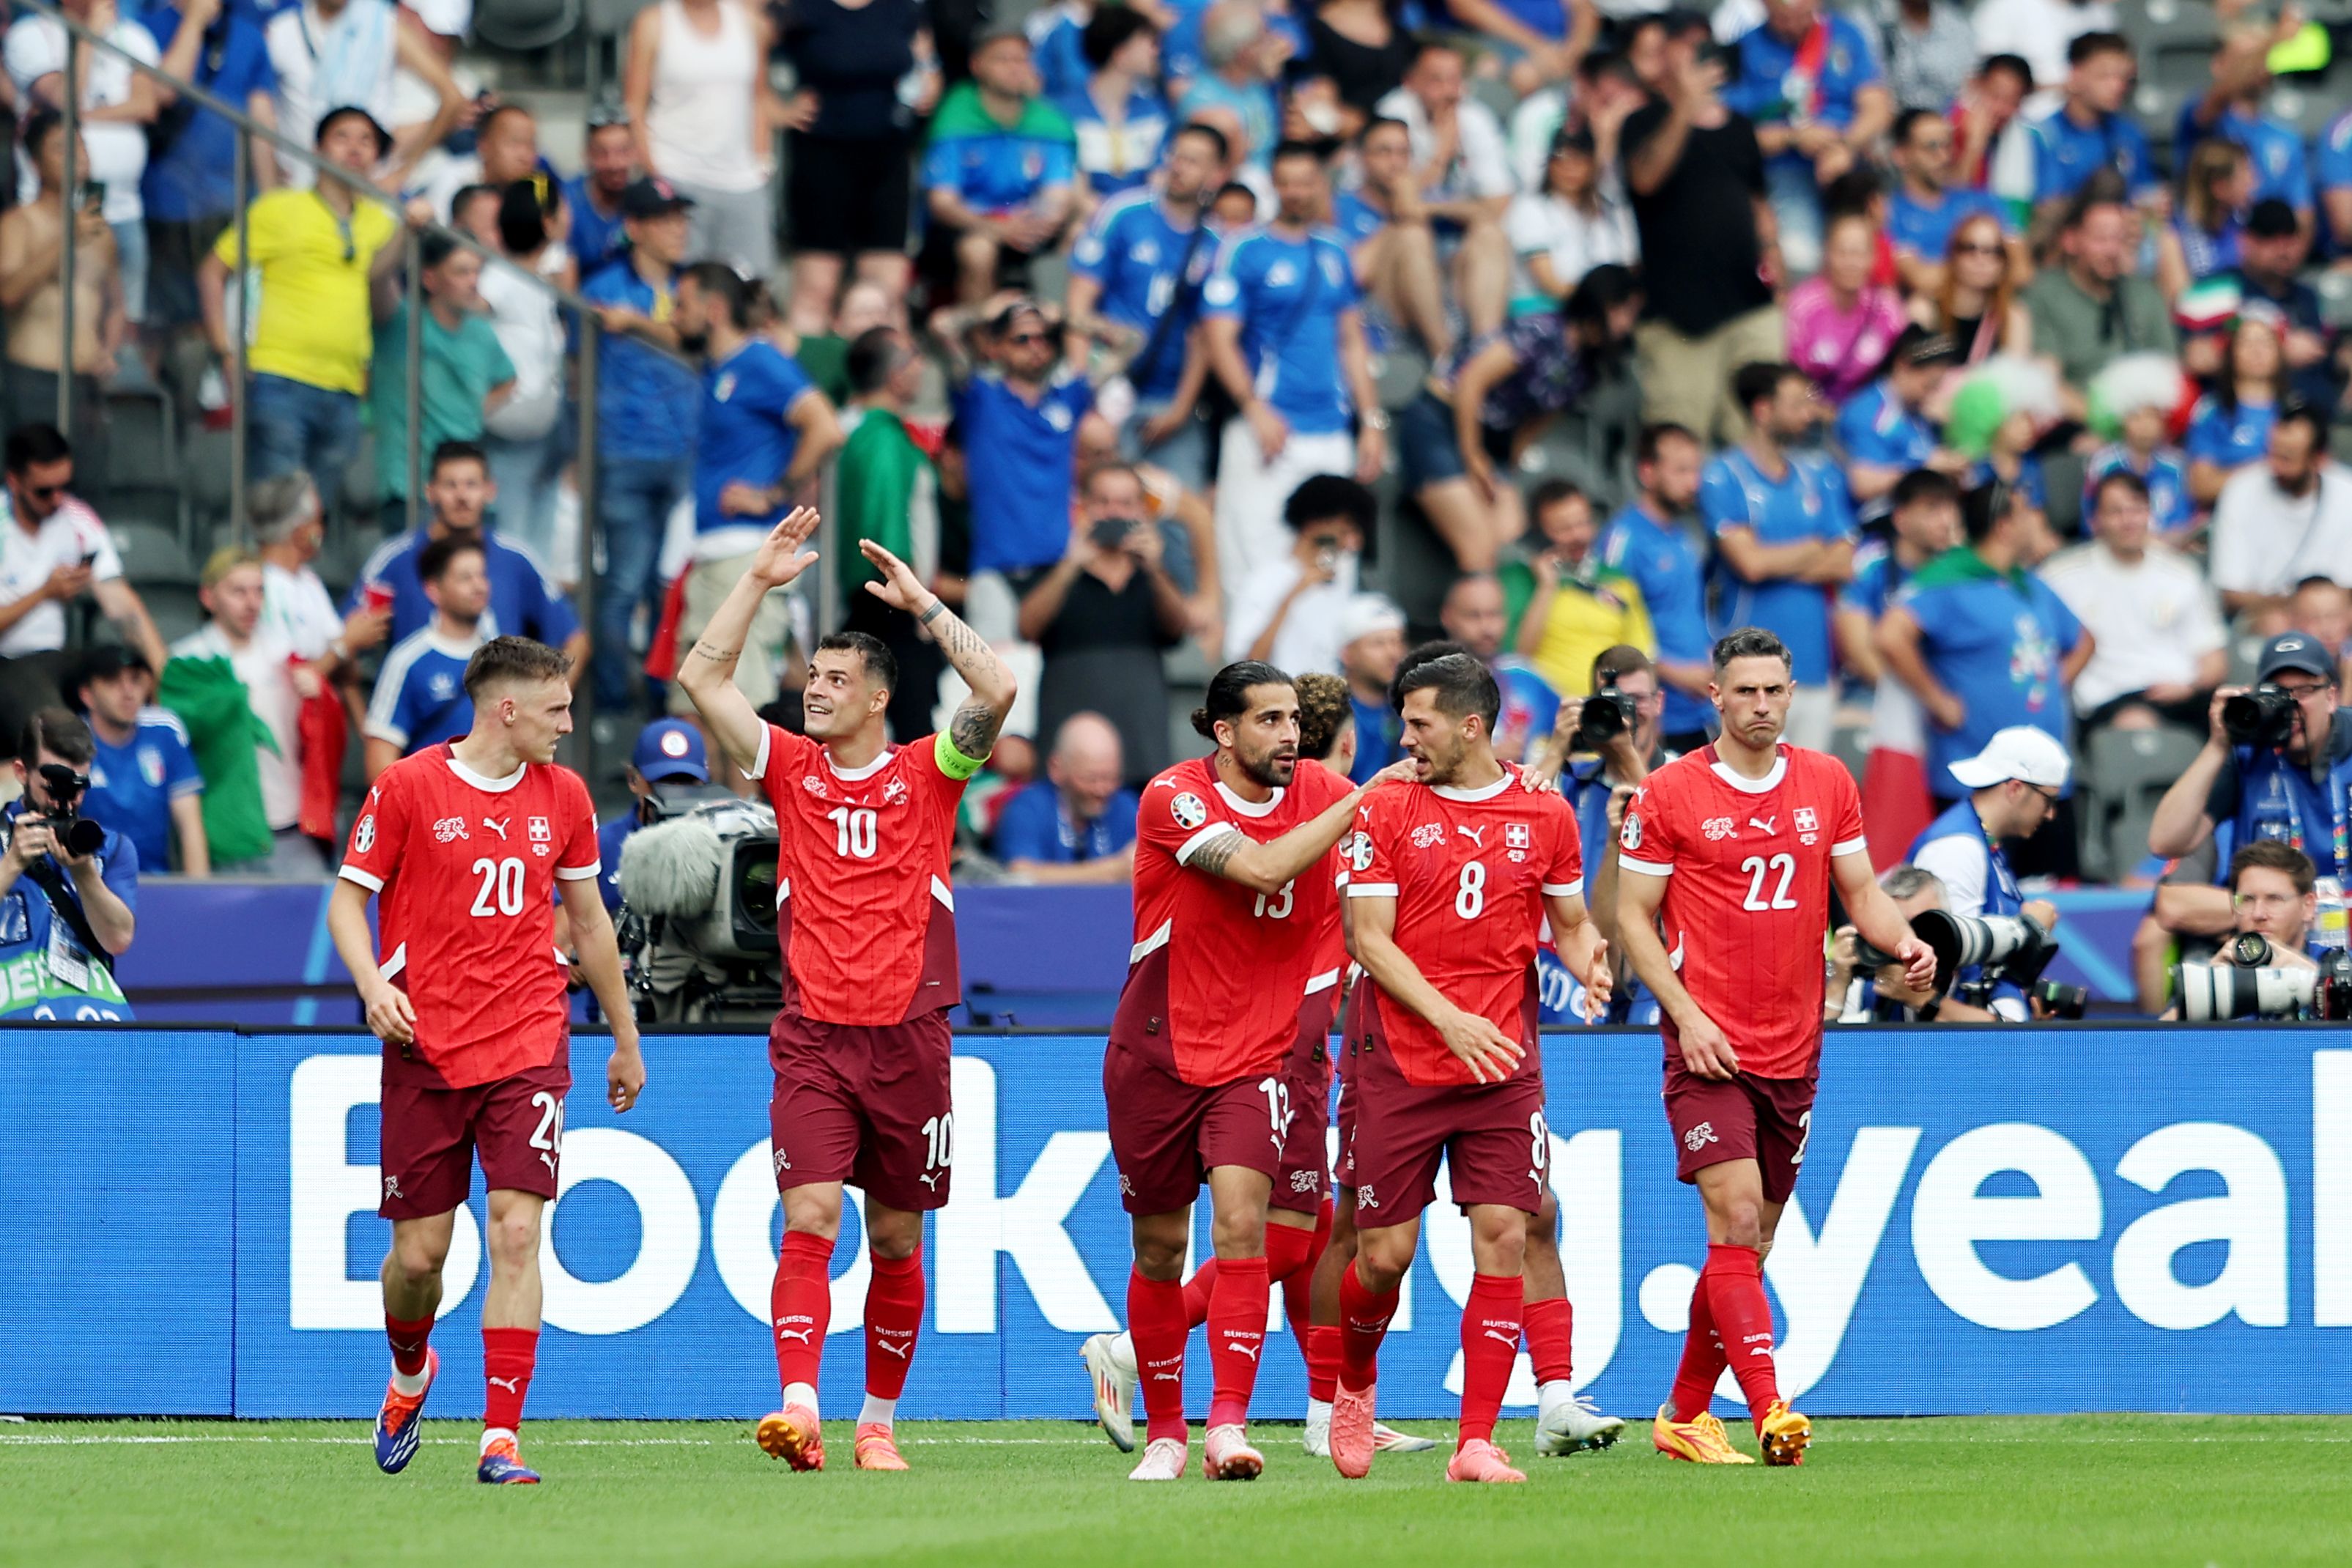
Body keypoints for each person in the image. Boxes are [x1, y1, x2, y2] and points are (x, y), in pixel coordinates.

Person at [678, 509, 1016, 1473]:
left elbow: (996, 686)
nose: (814, 692)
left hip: (910, 1036)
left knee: (899, 1237)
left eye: (835, 682)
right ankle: (799, 1405)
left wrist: (921, 606)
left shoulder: (932, 770)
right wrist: (755, 581)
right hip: (814, 1038)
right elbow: (703, 679)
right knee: (810, 1220)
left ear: (875, 698)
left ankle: (877, 1421)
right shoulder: (788, 768)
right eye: (810, 679)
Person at [1616, 626, 1934, 1467]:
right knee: (1737, 1217)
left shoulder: (1827, 780)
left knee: (1748, 1249)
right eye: (1744, 691)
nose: (1760, 704)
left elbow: (1861, 890)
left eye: (1774, 690)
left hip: (1793, 1048)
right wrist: (1685, 1016)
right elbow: (1630, 918)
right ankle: (1769, 1408)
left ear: (1792, 695)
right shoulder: (1671, 791)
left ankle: (1684, 1411)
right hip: (1707, 1047)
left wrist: (1905, 943)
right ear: (1714, 697)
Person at [328, 635, 639, 1487]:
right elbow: (349, 904)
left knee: (516, 1229)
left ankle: (500, 1437)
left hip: (529, 1042)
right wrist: (371, 986)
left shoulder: (566, 797)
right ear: (508, 709)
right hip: (424, 1047)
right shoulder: (408, 788)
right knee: (419, 1259)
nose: (570, 727)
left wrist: (623, 1036)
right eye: (557, 710)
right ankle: (409, 1371)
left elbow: (590, 924)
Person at [1103, 658, 1407, 1482]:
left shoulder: (1320, 791)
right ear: (1225, 730)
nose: (1288, 735)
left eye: (1293, 720)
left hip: (1256, 1056)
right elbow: (1263, 869)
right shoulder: (1175, 796)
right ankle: (1165, 1427)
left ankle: (1226, 1428)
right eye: (1268, 720)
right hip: (1157, 1049)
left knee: (1244, 1230)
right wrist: (1359, 800)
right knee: (1162, 1248)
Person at [1328, 650, 1609, 1484]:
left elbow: (1570, 921)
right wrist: (1448, 1018)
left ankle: (1475, 1442)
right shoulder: (1385, 806)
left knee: (1505, 1232)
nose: (1405, 739)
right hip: (1402, 1061)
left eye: (1419, 724)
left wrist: (1590, 958)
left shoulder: (1545, 814)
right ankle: (1353, 1386)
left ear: (1471, 726)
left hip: (1502, 1066)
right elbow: (1365, 939)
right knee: (1383, 1257)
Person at [1203, 141, 1384, 597]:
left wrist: (1371, 422)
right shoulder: (1242, 248)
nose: (1297, 192)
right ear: (1274, 186)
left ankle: (1322, 669)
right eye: (1286, 183)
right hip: (1268, 424)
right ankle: (1251, 670)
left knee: (1334, 563)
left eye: (1306, 182)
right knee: (1252, 559)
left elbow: (1351, 340)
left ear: (1320, 184)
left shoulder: (1337, 250)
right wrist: (1253, 408)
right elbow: (1218, 338)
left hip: (1329, 427)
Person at [1878, 481, 2090, 861]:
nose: (2036, 520)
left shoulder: (2031, 585)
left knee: (2056, 897)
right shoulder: (1947, 579)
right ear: (2004, 525)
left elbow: (2085, 639)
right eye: (2027, 512)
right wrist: (1936, 698)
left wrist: (2058, 679)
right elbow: (1892, 635)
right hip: (1979, 780)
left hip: (2044, 781)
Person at [670, 262, 845, 717]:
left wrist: (773, 493)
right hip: (713, 555)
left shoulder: (759, 360)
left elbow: (825, 426)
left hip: (747, 552)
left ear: (714, 309)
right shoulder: (717, 366)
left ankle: (744, 793)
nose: (672, 315)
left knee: (732, 702)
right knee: (699, 700)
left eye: (682, 305)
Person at [201, 106, 407, 489]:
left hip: (346, 387)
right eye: (342, 137)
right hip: (280, 379)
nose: (355, 149)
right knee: (279, 509)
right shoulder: (279, 208)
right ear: (317, 148)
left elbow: (385, 308)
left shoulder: (381, 222)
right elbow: (213, 270)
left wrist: (405, 234)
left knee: (317, 519)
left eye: (367, 141)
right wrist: (224, 350)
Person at [1399, 264, 1638, 574]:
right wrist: (1473, 456)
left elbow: (1536, 421)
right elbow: (1471, 382)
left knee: (1515, 551)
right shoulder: (1541, 330)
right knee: (1479, 551)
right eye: (1626, 312)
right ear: (1605, 304)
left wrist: (1505, 469)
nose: (1629, 325)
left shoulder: (1587, 367)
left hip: (1494, 438)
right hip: (1439, 423)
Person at [1621, 36, 1779, 446]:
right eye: (1688, 51)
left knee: (1760, 437)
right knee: (1680, 443)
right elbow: (1645, 178)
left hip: (1749, 309)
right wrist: (1684, 108)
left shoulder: (1742, 128)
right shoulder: (1642, 122)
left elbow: (1760, 205)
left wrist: (1778, 268)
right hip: (1678, 319)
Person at [2148, 631, 2352, 947]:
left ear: (2331, 697)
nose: (2291, 706)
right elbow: (2165, 842)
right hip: (2267, 933)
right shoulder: (2245, 753)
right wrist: (2219, 744)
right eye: (2279, 693)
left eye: (2304, 691)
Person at [581, 177, 700, 714]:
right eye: (664, 218)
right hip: (623, 452)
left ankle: (659, 697)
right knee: (626, 582)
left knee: (667, 583)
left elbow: (702, 344)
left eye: (680, 217)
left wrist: (638, 326)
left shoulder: (696, 291)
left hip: (686, 454)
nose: (678, 228)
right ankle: (612, 701)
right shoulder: (603, 287)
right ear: (634, 228)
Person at [1700, 363, 1854, 752]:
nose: (1808, 414)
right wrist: (1815, 547)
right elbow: (1749, 564)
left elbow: (1845, 560)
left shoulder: (1817, 475)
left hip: (1815, 669)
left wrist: (1773, 561)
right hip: (1749, 673)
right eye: (1796, 404)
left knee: (1811, 797)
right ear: (1763, 410)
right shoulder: (1724, 475)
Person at [1067, 121, 1227, 494]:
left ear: (1216, 174)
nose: (1180, 166)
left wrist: (1182, 408)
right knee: (1103, 500)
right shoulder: (1124, 213)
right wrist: (1082, 390)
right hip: (1108, 385)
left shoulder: (1218, 243)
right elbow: (1080, 300)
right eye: (1177, 155)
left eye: (1194, 160)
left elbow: (1203, 333)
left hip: (1170, 400)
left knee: (1179, 512)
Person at [1018, 462, 1189, 788]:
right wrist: (1072, 563)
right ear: (1083, 505)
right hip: (1069, 753)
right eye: (1103, 502)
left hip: (1143, 749)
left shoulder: (1154, 575)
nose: (1114, 512)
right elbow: (1027, 627)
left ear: (1141, 510)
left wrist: (1154, 568)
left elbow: (1178, 628)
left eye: (1125, 503)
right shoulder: (1058, 569)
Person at [0, 424, 166, 744]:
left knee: (124, 665)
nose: (58, 499)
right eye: (45, 491)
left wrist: (164, 675)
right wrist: (43, 594)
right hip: (9, 662)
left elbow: (122, 604)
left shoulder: (75, 518)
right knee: (52, 720)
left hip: (57, 657)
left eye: (66, 486)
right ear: (14, 482)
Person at [352, 443, 584, 672]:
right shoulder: (394, 560)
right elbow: (346, 639)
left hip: (503, 706)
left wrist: (544, 704)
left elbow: (577, 642)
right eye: (450, 485)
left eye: (471, 485)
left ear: (490, 491)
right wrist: (368, 711)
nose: (461, 496)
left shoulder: (517, 559)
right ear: (430, 492)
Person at [162, 547, 319, 877]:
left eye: (259, 591)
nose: (252, 603)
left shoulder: (285, 653)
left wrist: (318, 688)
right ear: (208, 597)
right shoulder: (188, 662)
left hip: (294, 824)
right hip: (227, 831)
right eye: (238, 591)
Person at [5, 0, 158, 329]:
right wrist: (88, 37)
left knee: (124, 323)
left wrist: (82, 118)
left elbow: (146, 105)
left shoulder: (132, 36)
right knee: (55, 319)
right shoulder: (31, 34)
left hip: (123, 210)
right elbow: (65, 100)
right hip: (52, 211)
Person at [778, 0, 931, 327]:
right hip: (822, 154)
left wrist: (927, 81)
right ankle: (808, 376)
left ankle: (885, 373)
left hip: (887, 155)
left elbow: (926, 63)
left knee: (886, 291)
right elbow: (747, 44)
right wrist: (773, 105)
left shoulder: (901, 7)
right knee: (817, 287)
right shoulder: (802, 8)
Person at [2040, 470, 2225, 733]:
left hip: (2180, 697)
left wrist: (2189, 687)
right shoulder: (2061, 576)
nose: (2128, 521)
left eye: (2137, 510)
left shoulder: (2182, 573)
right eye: (2116, 512)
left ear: (2149, 514)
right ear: (2096, 520)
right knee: (2137, 724)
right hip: (2107, 703)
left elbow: (2213, 659)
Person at [1722, 0, 1893, 278]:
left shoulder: (1846, 35)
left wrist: (1844, 147)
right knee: (1801, 259)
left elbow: (1878, 109)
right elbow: (1731, 135)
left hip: (1848, 168)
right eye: (1783, 17)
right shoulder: (1744, 49)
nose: (1793, 25)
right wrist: (1792, 138)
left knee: (1871, 257)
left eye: (1801, 14)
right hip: (1784, 170)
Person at [1907, 725, 2068, 1010]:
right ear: (2016, 788)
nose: (2051, 814)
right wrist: (2029, 929)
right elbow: (1952, 959)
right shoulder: (1957, 849)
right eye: (2049, 800)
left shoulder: (1985, 842)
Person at [1370, 42, 1517, 348]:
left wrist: (1434, 209)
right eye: (1438, 80)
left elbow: (1498, 203)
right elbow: (1404, 206)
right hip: (1390, 247)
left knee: (1490, 234)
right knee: (1414, 234)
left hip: (1448, 241)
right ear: (1411, 82)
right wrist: (1441, 154)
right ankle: (1444, 354)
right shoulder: (1393, 112)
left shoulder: (1475, 118)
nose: (1450, 92)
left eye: (1456, 80)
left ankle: (1482, 347)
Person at [0, 111, 119, 487]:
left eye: (80, 145)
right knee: (35, 496)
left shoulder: (101, 233)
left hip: (85, 388)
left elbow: (115, 303)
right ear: (35, 163)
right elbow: (9, 292)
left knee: (86, 496)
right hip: (35, 383)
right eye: (60, 149)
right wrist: (66, 238)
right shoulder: (20, 223)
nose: (77, 155)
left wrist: (108, 348)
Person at [920, 26, 1080, 303]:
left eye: (1022, 60)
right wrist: (997, 228)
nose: (1015, 68)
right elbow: (942, 203)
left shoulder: (1049, 123)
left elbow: (1059, 192)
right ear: (977, 65)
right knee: (979, 250)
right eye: (1003, 59)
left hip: (1028, 224)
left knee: (1082, 233)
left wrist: (1040, 220)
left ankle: (1060, 332)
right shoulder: (956, 120)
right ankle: (983, 339)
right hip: (969, 226)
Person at [0, 706, 139, 1018]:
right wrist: (11, 864)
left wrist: (84, 873)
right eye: (53, 785)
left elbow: (118, 939)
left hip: (95, 1029)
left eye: (78, 787)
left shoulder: (110, 846)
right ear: (22, 772)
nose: (65, 800)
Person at [369, 232, 517, 528]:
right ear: (430, 279)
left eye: (476, 272)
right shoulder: (400, 323)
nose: (473, 281)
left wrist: (473, 411)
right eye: (461, 272)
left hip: (469, 494)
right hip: (409, 489)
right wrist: (407, 227)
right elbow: (375, 278)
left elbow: (508, 380)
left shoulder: (481, 333)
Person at [623, 0, 778, 278]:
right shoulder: (653, 23)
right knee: (684, 288)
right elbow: (634, 105)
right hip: (677, 175)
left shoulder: (750, 22)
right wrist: (655, 173)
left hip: (742, 181)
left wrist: (761, 163)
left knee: (752, 289)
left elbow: (760, 96)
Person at [1599, 423, 1712, 754]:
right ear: (1647, 472)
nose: (1694, 482)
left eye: (1696, 470)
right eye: (1680, 470)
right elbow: (1609, 632)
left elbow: (1686, 611)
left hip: (1698, 709)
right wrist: (1675, 673)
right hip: (1654, 718)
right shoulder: (1624, 539)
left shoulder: (1684, 535)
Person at [264, 0, 461, 185]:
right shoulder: (282, 32)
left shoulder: (383, 25)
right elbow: (259, 107)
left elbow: (453, 98)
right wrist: (272, 172)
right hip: (300, 187)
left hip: (367, 194)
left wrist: (401, 174)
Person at [2023, 193, 2175, 410]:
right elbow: (2046, 382)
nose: (2112, 250)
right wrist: (2102, 425)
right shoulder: (2043, 294)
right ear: (2070, 240)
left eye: (2120, 238)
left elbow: (2169, 371)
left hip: (2141, 428)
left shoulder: (2144, 294)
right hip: (2070, 428)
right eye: (2101, 239)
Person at [2207, 403, 2352, 619]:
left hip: (2336, 620)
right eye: (2273, 453)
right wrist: (2298, 608)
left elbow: (2348, 589)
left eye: (2288, 458)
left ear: (2319, 459)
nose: (2275, 466)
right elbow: (2232, 593)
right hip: (2264, 618)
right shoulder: (2241, 489)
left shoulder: (2346, 492)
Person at [1509, 480, 1651, 699]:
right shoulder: (1519, 581)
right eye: (1564, 528)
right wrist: (1546, 587)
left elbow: (1641, 658)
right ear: (1538, 535)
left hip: (1609, 711)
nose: (1579, 535)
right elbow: (1517, 658)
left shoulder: (1618, 580)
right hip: (1548, 712)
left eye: (1584, 523)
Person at [364, 534, 491, 777]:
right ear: (434, 590)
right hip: (435, 810)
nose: (479, 586)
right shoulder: (407, 661)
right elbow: (380, 762)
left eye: (482, 575)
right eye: (466, 578)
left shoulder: (502, 656)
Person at [1226, 474, 1375, 676]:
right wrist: (1293, 595)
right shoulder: (1265, 580)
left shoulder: (1341, 587)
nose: (1353, 541)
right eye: (1346, 527)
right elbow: (1245, 666)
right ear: (1315, 521)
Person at [75, 646, 205, 879]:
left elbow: (190, 826)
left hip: (157, 885)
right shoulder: (70, 742)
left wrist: (201, 900)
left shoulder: (165, 729)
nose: (128, 692)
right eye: (113, 681)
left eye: (135, 680)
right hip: (91, 889)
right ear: (87, 695)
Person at [992, 711, 1139, 882]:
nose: (1101, 790)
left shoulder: (1126, 807)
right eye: (1090, 779)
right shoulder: (1027, 809)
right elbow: (1021, 875)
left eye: (1111, 778)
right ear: (1057, 768)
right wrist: (1113, 870)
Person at [1506, 125, 1637, 317]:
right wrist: (1600, 303)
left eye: (1580, 160)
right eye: (1562, 160)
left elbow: (1628, 269)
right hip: (1542, 313)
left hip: (1599, 315)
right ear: (1550, 164)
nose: (1570, 169)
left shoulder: (1607, 212)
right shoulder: (1531, 208)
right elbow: (1551, 283)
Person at [1836, 325, 1964, 522]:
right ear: (1903, 365)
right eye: (1928, 384)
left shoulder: (1919, 414)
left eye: (1937, 386)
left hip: (1916, 518)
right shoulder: (1868, 412)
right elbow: (1862, 484)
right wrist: (1924, 469)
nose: (1932, 393)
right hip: (1874, 523)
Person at [1784, 210, 1909, 407]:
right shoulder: (1802, 307)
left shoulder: (1887, 308)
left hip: (1867, 413)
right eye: (1842, 252)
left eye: (1859, 253)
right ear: (1826, 253)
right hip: (1811, 414)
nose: (1851, 263)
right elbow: (1790, 378)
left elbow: (1901, 374)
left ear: (1874, 257)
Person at [2026, 32, 2156, 221]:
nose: (2117, 86)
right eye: (2105, 76)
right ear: (2075, 75)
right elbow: (2045, 208)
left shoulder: (2130, 135)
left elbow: (2145, 193)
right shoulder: (2044, 135)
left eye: (2124, 78)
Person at [1883, 108, 2011, 295]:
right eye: (1931, 147)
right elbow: (1921, 279)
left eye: (1947, 146)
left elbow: (2021, 268)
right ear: (1901, 155)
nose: (1943, 157)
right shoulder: (1889, 213)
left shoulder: (1982, 200)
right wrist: (1985, 269)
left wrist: (1942, 271)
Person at [1441, 574, 1560, 763]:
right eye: (1473, 616)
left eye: (1494, 614)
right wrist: (1486, 758)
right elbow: (1410, 764)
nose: (1487, 627)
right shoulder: (1428, 685)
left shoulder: (1528, 679)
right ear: (1447, 617)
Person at [1057, 5, 1169, 202]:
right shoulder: (1063, 112)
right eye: (1148, 42)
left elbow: (1159, 181)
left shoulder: (1155, 113)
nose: (1155, 51)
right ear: (1121, 53)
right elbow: (1068, 185)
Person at [2183, 309, 2285, 509]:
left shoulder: (2294, 409)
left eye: (2265, 342)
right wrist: (2265, 473)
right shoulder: (2212, 412)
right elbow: (2201, 485)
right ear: (2231, 352)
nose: (2257, 351)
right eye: (2247, 343)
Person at [1912, 210, 2032, 366]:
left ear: (2004, 262)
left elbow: (2015, 381)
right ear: (1953, 254)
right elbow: (1911, 379)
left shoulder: (2013, 317)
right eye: (1970, 248)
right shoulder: (1924, 310)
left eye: (1994, 251)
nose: (1981, 259)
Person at [1336, 593, 1405, 784]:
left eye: (1396, 641)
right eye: (1379, 643)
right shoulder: (1330, 712)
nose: (1393, 653)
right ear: (1347, 654)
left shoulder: (1407, 709)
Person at [563, 106, 639, 275]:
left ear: (635, 153)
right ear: (587, 155)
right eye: (602, 153)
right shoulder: (565, 200)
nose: (614, 164)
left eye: (623, 151)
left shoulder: (645, 203)